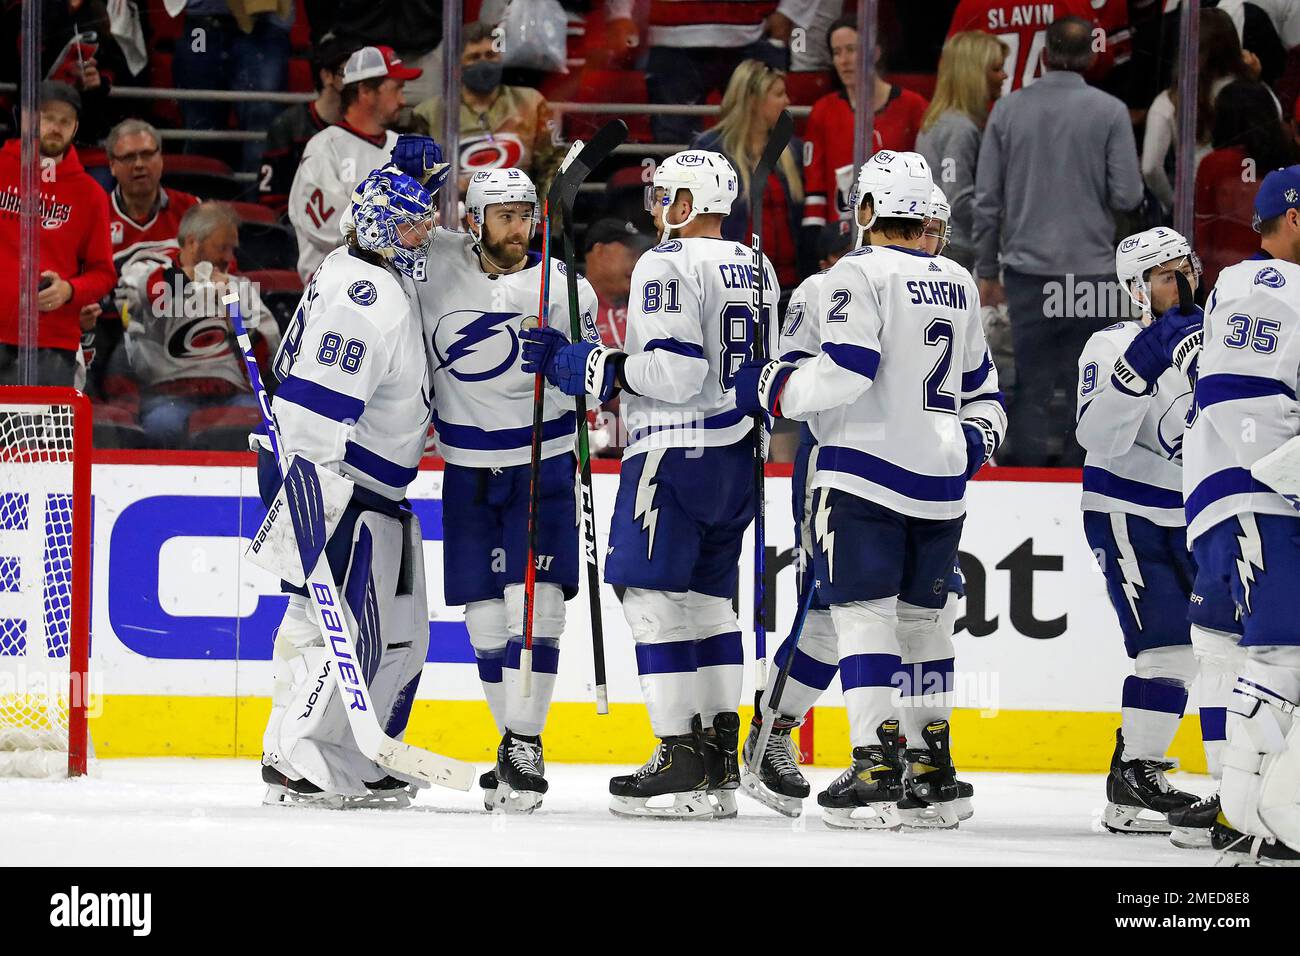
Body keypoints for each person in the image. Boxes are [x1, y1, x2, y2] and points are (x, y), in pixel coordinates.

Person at [733, 151, 1005, 830]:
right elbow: (986, 394)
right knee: (924, 622)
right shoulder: (960, 281)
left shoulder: (852, 273)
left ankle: (875, 762)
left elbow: (847, 369)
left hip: (861, 471)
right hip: (941, 484)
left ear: (868, 210)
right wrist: (967, 445)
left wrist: (774, 389)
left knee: (859, 616)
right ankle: (930, 765)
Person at [521, 149, 779, 820]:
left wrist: (592, 365)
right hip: (738, 458)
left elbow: (676, 375)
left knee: (653, 602)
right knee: (709, 608)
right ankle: (720, 756)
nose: (657, 209)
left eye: (667, 196)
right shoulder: (758, 262)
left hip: (674, 453)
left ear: (692, 202)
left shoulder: (666, 263)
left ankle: (680, 757)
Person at [408, 164, 598, 813]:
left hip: (541, 461)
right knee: (486, 615)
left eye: (526, 215)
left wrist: (570, 363)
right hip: (464, 463)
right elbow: (376, 227)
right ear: (476, 220)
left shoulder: (565, 286)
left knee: (538, 603)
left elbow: (598, 380)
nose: (519, 228)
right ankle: (511, 742)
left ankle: (524, 742)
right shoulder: (438, 263)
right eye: (505, 216)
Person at [257, 167, 438, 808]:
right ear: (379, 229)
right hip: (332, 480)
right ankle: (294, 756)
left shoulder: (373, 275)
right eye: (413, 225)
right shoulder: (365, 291)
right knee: (318, 618)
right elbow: (313, 408)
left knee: (383, 630)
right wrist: (313, 495)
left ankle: (351, 756)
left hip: (362, 486)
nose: (425, 236)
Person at [1075, 228, 1219, 840]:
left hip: (1197, 516)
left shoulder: (1217, 341)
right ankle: (1136, 775)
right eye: (1166, 275)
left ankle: (1135, 781)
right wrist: (1144, 365)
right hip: (1128, 512)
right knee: (1166, 648)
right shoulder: (1109, 346)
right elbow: (1096, 439)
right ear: (1136, 289)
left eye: (1186, 268)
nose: (1182, 283)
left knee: (1204, 652)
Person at [1180, 166, 1300, 863]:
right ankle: (1265, 821)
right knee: (1280, 654)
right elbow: (1233, 393)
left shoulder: (1257, 285)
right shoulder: (1267, 283)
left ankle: (1242, 813)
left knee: (1243, 654)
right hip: (1257, 492)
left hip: (1244, 493)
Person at [973, 16, 1143, 467]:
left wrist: (987, 271)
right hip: (1090, 271)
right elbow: (1129, 193)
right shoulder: (1109, 111)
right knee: (1085, 382)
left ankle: (1028, 486)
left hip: (1029, 272)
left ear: (1045, 55)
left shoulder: (1007, 111)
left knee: (1031, 384)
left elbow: (986, 201)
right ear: (1090, 57)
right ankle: (1077, 482)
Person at [115, 203, 279, 449]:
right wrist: (187, 277)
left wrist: (235, 322)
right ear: (192, 242)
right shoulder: (147, 274)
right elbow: (141, 295)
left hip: (231, 395)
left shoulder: (239, 287)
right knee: (163, 426)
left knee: (259, 421)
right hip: (167, 396)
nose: (228, 258)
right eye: (222, 248)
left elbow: (269, 354)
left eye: (232, 250)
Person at [0, 81, 114, 386]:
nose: (56, 127)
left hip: (52, 340)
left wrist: (69, 291)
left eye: (65, 121)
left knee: (40, 435)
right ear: (26, 119)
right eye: (48, 117)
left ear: (75, 128)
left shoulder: (91, 194)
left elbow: (103, 273)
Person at [289, 45, 421, 282]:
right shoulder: (324, 148)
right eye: (396, 89)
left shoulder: (402, 147)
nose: (403, 100)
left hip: (396, 286)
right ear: (364, 92)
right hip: (335, 289)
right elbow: (325, 227)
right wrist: (400, 226)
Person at [602, 0, 818, 144]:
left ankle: (761, 211)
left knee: (760, 141)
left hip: (750, 35)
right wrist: (619, 13)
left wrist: (790, 11)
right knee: (674, 146)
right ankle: (680, 211)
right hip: (672, 41)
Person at [800, 16, 930, 247]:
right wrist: (816, 243)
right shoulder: (823, 111)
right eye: (837, 52)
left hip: (898, 235)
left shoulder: (913, 106)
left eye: (851, 50)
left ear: (875, 52)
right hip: (840, 241)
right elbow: (815, 186)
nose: (843, 60)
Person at [411, 23, 564, 200]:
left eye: (491, 55)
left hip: (518, 212)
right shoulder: (429, 113)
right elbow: (417, 179)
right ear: (457, 68)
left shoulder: (531, 103)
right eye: (474, 57)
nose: (484, 63)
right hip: (454, 217)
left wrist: (544, 218)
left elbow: (553, 165)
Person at [693, 59, 804, 289]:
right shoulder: (710, 149)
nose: (787, 101)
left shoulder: (793, 150)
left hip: (790, 283)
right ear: (753, 100)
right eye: (779, 94)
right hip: (733, 283)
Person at [1141, 9, 1257, 218]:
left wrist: (1174, 204)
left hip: (1198, 207)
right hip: (1250, 203)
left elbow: (1150, 166)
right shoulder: (1256, 92)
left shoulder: (1168, 102)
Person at [916, 31, 1009, 271]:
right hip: (959, 251)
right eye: (996, 69)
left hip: (948, 246)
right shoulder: (960, 128)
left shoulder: (943, 120)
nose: (1004, 76)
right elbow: (958, 201)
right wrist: (1007, 224)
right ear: (975, 75)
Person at [166, 0, 294, 171]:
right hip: (201, 28)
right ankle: (197, 197)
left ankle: (255, 197)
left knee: (260, 131)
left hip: (263, 25)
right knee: (199, 128)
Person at [1195, 79, 1298, 289]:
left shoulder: (1213, 164)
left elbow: (1202, 234)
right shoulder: (1288, 163)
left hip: (1226, 278)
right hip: (1283, 278)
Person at [581, 218, 654, 459]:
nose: (636, 261)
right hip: (591, 455)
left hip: (647, 446)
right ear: (600, 251)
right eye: (629, 252)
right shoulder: (568, 304)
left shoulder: (646, 307)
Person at [260, 34, 356, 210]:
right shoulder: (287, 125)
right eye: (349, 73)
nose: (357, 83)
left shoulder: (361, 125)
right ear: (326, 76)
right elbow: (271, 197)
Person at [105, 119, 200, 273]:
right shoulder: (93, 216)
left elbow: (225, 271)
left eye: (147, 155)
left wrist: (231, 297)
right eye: (129, 157)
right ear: (112, 166)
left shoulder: (191, 208)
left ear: (161, 159)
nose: (139, 165)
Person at [946, 0, 1099, 94]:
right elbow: (1101, 58)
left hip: (994, 119)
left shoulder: (972, 5)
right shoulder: (1074, 2)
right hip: (1060, 117)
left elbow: (950, 66)